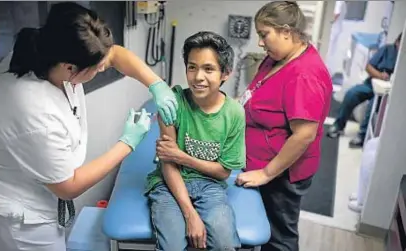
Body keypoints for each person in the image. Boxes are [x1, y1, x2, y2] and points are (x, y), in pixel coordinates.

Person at [0, 2, 178, 251]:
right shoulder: (33, 110)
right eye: (98, 68)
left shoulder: (49, 51)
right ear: (70, 68)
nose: (104, 67)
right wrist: (127, 143)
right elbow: (68, 187)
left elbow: (114, 55)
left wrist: (157, 84)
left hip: (50, 193)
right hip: (27, 219)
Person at [234, 2, 333, 251]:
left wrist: (266, 173)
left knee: (279, 239)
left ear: (286, 31)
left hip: (281, 174)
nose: (260, 42)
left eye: (264, 34)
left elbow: (304, 135)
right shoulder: (276, 59)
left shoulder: (304, 75)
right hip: (256, 163)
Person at [145, 31, 245, 251]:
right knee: (171, 245)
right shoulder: (173, 103)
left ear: (225, 73)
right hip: (168, 183)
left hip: (210, 185)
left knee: (224, 244)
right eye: (192, 67)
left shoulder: (234, 113)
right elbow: (168, 163)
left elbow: (223, 172)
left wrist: (182, 156)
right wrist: (190, 214)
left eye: (208, 69)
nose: (198, 77)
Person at [327, 33, 401, 149]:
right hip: (372, 83)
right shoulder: (387, 50)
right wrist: (380, 75)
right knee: (351, 94)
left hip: (386, 91)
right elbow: (369, 67)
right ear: (397, 42)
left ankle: (361, 136)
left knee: (373, 105)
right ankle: (338, 125)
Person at [326, 1, 347, 73]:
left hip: (333, 30)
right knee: (331, 51)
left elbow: (336, 14)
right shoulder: (342, 2)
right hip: (336, 29)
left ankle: (326, 73)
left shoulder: (338, 2)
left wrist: (327, 22)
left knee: (328, 51)